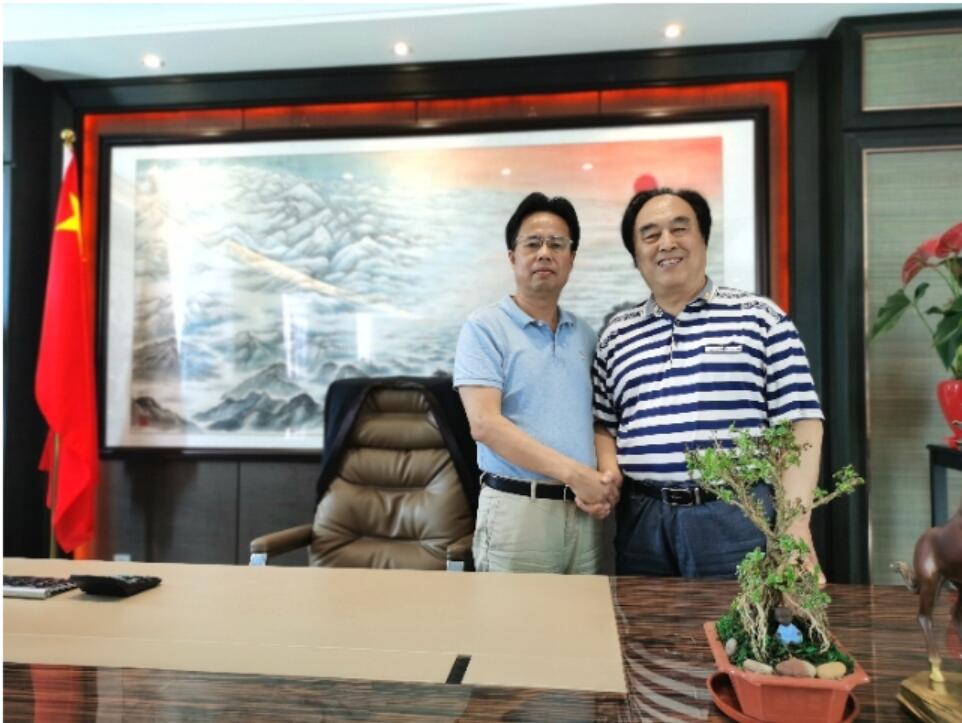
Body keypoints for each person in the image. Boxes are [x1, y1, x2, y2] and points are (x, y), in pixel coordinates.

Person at [592, 188, 825, 578]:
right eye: (650, 235)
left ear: (703, 239)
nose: (666, 242)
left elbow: (801, 422)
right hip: (643, 520)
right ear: (636, 255)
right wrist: (609, 472)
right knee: (643, 619)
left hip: (736, 513)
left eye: (680, 228)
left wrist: (795, 524)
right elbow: (604, 423)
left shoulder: (761, 318)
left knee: (737, 619)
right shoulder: (616, 335)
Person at [454, 192, 621, 574]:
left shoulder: (585, 335)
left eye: (557, 244)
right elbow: (485, 425)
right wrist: (576, 475)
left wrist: (608, 476)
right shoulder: (484, 328)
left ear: (571, 259)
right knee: (515, 615)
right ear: (512, 256)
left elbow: (598, 419)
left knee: (587, 613)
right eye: (533, 243)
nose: (545, 253)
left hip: (586, 512)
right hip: (518, 512)